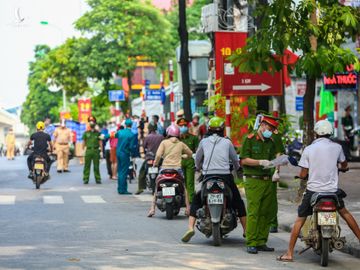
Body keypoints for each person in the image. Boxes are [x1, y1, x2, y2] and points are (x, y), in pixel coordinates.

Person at [277, 120, 360, 262]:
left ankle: (289, 253)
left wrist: (302, 176)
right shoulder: (337, 147)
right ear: (330, 133)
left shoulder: (309, 149)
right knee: (345, 213)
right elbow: (344, 164)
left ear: (316, 133)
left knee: (300, 219)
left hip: (313, 192)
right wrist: (342, 168)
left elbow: (303, 174)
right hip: (332, 192)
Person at [181, 117, 246, 243]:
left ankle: (190, 227)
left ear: (208, 129)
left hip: (207, 176)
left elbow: (197, 159)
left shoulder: (204, 142)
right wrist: (238, 168)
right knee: (238, 202)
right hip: (225, 177)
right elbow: (234, 159)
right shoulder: (227, 142)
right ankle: (246, 230)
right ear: (222, 129)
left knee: (196, 200)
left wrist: (199, 167)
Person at [240, 116, 279, 254]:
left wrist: (278, 166)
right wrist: (260, 162)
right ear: (262, 125)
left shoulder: (271, 142)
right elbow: (243, 160)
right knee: (254, 212)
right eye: (269, 128)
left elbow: (274, 158)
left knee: (265, 212)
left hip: (268, 179)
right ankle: (251, 242)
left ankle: (262, 241)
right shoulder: (249, 139)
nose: (270, 131)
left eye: (273, 129)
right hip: (253, 180)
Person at [147, 124, 193, 217]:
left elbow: (159, 155)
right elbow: (190, 153)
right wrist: (183, 156)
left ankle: (152, 209)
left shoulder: (164, 143)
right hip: (177, 170)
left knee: (156, 187)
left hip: (165, 169)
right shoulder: (181, 144)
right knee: (184, 188)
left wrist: (155, 164)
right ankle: (188, 209)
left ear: (168, 133)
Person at [135, 123, 164, 195]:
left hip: (149, 158)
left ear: (149, 129)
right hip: (159, 158)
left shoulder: (147, 137)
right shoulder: (161, 137)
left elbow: (144, 146)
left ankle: (140, 188)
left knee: (142, 173)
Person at [111, 118, 136, 194]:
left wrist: (103, 136)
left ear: (125, 125)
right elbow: (132, 147)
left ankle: (119, 188)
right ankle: (123, 190)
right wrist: (133, 154)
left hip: (118, 153)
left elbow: (112, 135)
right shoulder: (132, 135)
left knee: (120, 171)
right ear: (131, 125)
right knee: (124, 172)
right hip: (125, 154)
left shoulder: (120, 132)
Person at [177, 118, 199, 202]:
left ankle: (191, 200)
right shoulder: (177, 139)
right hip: (179, 161)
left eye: (185, 125)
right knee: (180, 182)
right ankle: (181, 199)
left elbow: (197, 151)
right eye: (181, 125)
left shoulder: (193, 138)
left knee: (189, 182)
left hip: (190, 161)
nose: (183, 127)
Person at [82, 116, 102, 184]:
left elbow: (100, 142)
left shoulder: (98, 132)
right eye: (90, 121)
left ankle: (98, 178)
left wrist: (101, 151)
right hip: (88, 150)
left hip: (96, 150)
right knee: (87, 166)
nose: (91, 122)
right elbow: (84, 142)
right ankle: (85, 178)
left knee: (96, 166)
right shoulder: (86, 133)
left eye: (93, 121)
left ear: (95, 122)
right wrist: (83, 150)